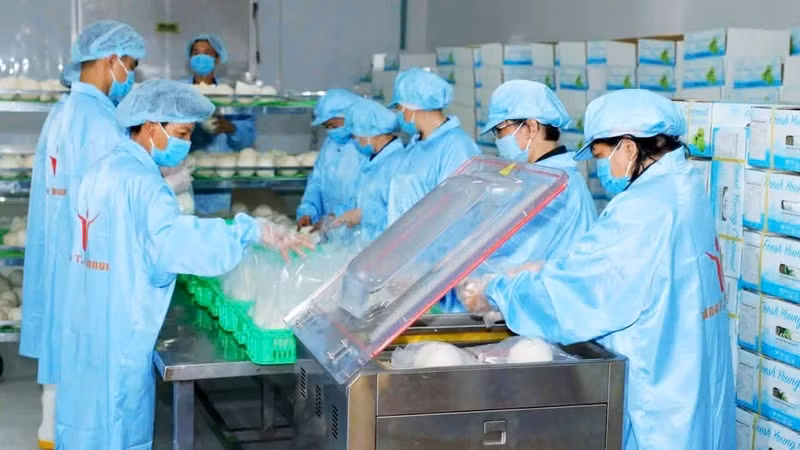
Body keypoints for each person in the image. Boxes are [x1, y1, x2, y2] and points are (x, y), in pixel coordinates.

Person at [459, 89, 734, 450]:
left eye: (602, 154)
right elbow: (623, 269)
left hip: (659, 398)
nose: (600, 166)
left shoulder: (642, 210)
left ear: (629, 148)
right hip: (692, 381)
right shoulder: (683, 188)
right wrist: (546, 266)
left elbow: (579, 296)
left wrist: (497, 292)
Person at [54, 80, 312, 450]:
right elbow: (174, 244)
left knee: (82, 427)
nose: (185, 143)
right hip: (119, 335)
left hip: (86, 328)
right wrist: (250, 231)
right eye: (180, 133)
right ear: (149, 125)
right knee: (116, 428)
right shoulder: (143, 184)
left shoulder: (100, 170)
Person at [19, 20, 146, 448]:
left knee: (63, 355)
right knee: (87, 365)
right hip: (90, 259)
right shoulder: (99, 123)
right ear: (110, 61)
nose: (130, 76)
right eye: (129, 65)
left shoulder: (63, 112)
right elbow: (114, 199)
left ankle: (51, 433)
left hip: (61, 253)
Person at [440, 80, 596, 312]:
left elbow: (518, 256)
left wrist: (467, 272)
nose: (497, 138)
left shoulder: (558, 186)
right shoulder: (535, 177)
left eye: (501, 130)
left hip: (545, 309)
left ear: (531, 127)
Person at [387, 68, 480, 224]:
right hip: (405, 244)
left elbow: (457, 215)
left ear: (413, 107)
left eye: (399, 108)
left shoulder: (457, 147)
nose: (399, 115)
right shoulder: (416, 146)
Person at [186, 33, 255, 215]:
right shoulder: (180, 92)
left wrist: (231, 128)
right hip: (184, 175)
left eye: (207, 52)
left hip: (219, 180)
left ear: (217, 58)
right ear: (190, 58)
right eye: (196, 53)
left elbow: (247, 139)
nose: (201, 57)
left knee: (216, 226)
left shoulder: (230, 94)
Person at [335, 98, 406, 240]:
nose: (356, 142)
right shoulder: (371, 159)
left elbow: (402, 215)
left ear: (372, 133)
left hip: (387, 248)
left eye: (357, 137)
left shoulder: (399, 164)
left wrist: (364, 215)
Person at [296, 89, 367, 229]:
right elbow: (316, 182)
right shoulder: (330, 144)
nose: (330, 131)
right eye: (326, 127)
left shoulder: (366, 147)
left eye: (333, 126)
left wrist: (335, 218)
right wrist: (308, 211)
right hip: (330, 233)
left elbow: (366, 198)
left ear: (350, 116)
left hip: (356, 232)